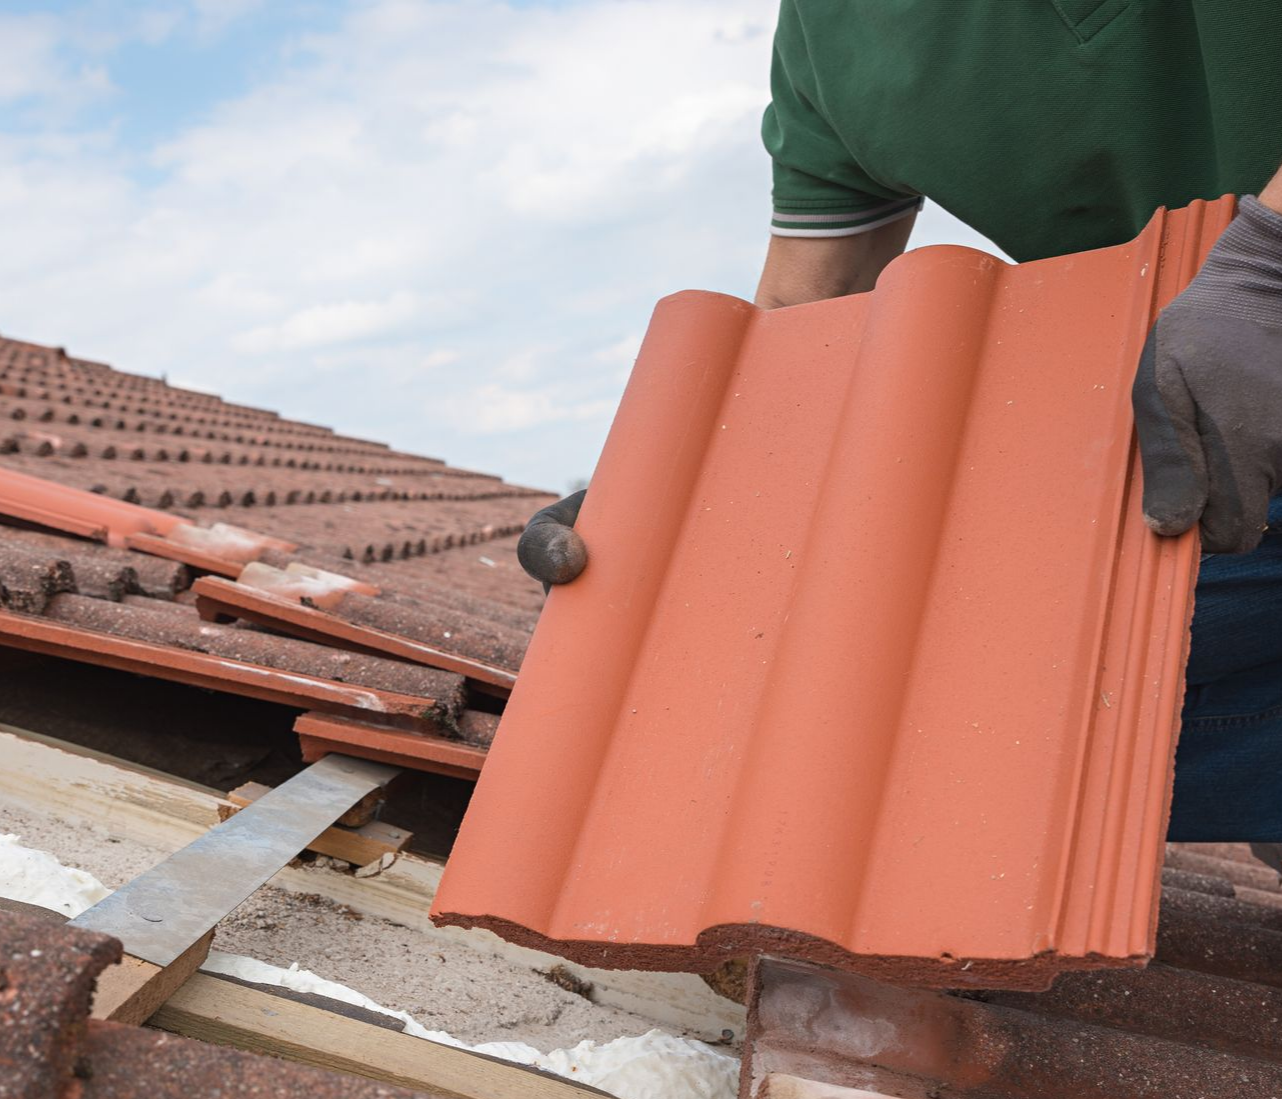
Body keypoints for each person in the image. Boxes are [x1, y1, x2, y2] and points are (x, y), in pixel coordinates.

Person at [517, 3, 1282, 846]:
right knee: (921, 682)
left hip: (1245, 371)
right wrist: (683, 499)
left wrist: (1269, 273)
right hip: (1199, 440)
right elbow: (807, 310)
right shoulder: (831, 30)